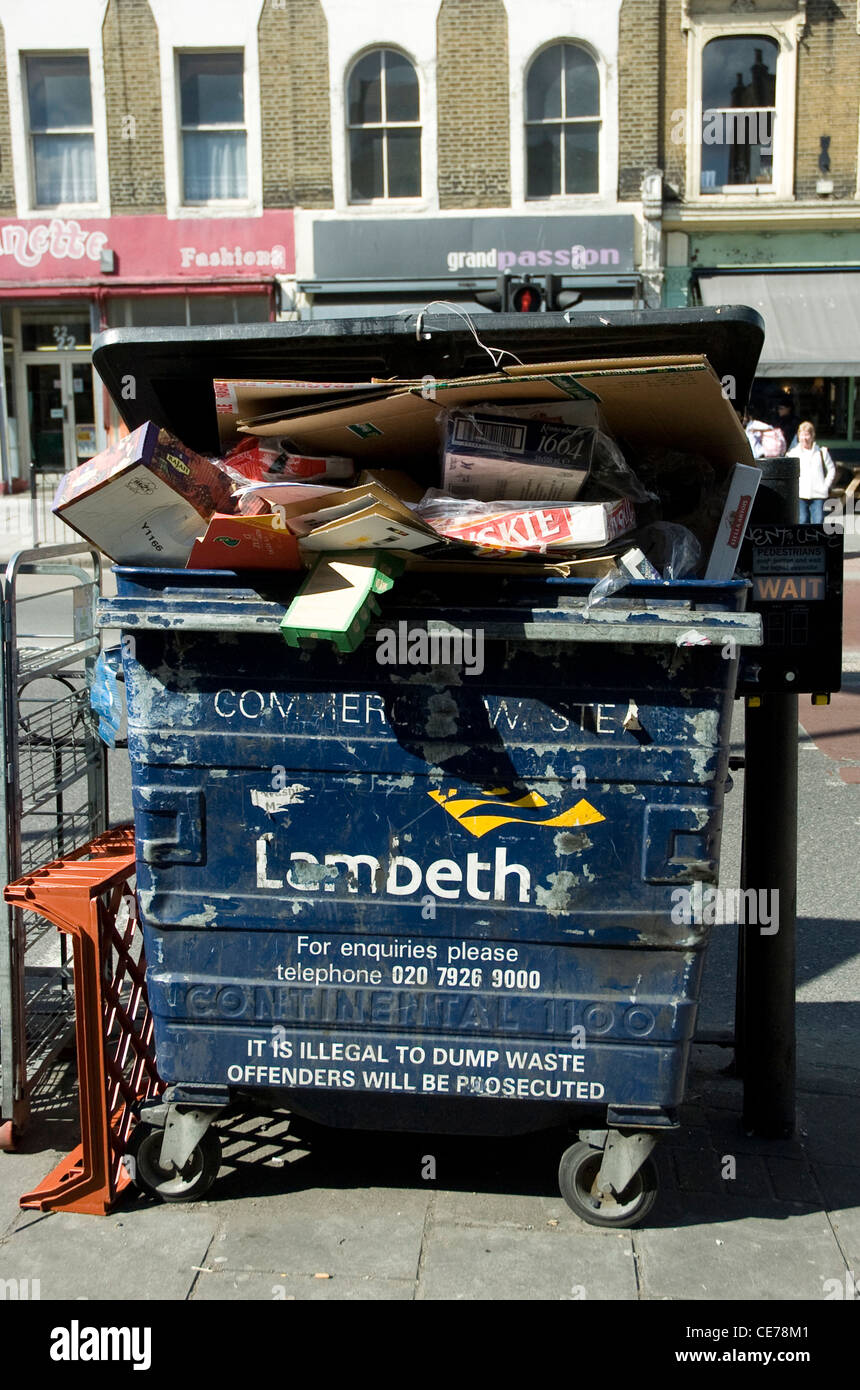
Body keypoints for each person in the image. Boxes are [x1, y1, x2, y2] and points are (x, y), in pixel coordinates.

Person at [795, 420, 836, 523]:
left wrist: (825, 486)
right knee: (802, 521)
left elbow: (831, 469)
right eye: (802, 435)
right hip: (801, 494)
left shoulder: (822, 452)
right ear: (798, 436)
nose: (805, 438)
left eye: (807, 435)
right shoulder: (793, 453)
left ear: (812, 436)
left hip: (818, 495)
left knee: (818, 522)